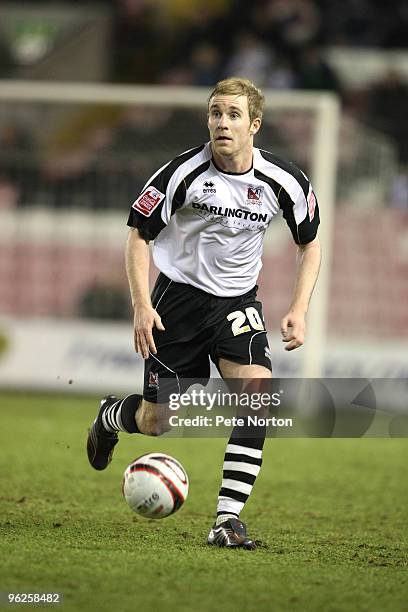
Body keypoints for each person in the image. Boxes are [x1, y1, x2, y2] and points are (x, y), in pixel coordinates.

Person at [87, 77, 321, 549]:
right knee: (158, 422)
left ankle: (227, 521)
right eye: (215, 113)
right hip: (178, 303)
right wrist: (141, 304)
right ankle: (112, 416)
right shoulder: (181, 174)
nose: (221, 123)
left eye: (233, 114)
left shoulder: (286, 181)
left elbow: (309, 242)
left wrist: (299, 306)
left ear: (254, 124)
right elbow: (138, 235)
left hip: (237, 305)